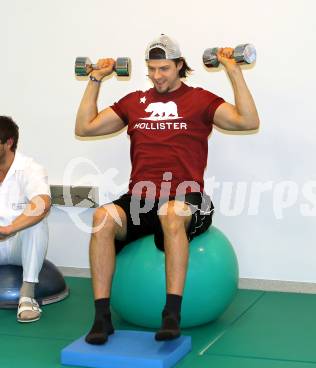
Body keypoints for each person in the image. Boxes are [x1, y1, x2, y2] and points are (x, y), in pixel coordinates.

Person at [75, 34, 259, 344]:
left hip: (188, 197)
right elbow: (85, 127)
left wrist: (233, 70)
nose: (157, 76)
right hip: (140, 198)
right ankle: (102, 318)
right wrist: (95, 78)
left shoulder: (200, 100)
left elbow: (248, 121)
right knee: (101, 219)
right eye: (152, 69)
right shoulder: (135, 102)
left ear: (179, 66)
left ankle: (171, 314)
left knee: (171, 213)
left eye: (164, 69)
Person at [0, 116, 51, 322]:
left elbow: (42, 202)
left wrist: (10, 228)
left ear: (8, 143)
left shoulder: (30, 168)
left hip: (18, 243)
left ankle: (27, 295)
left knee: (37, 221)